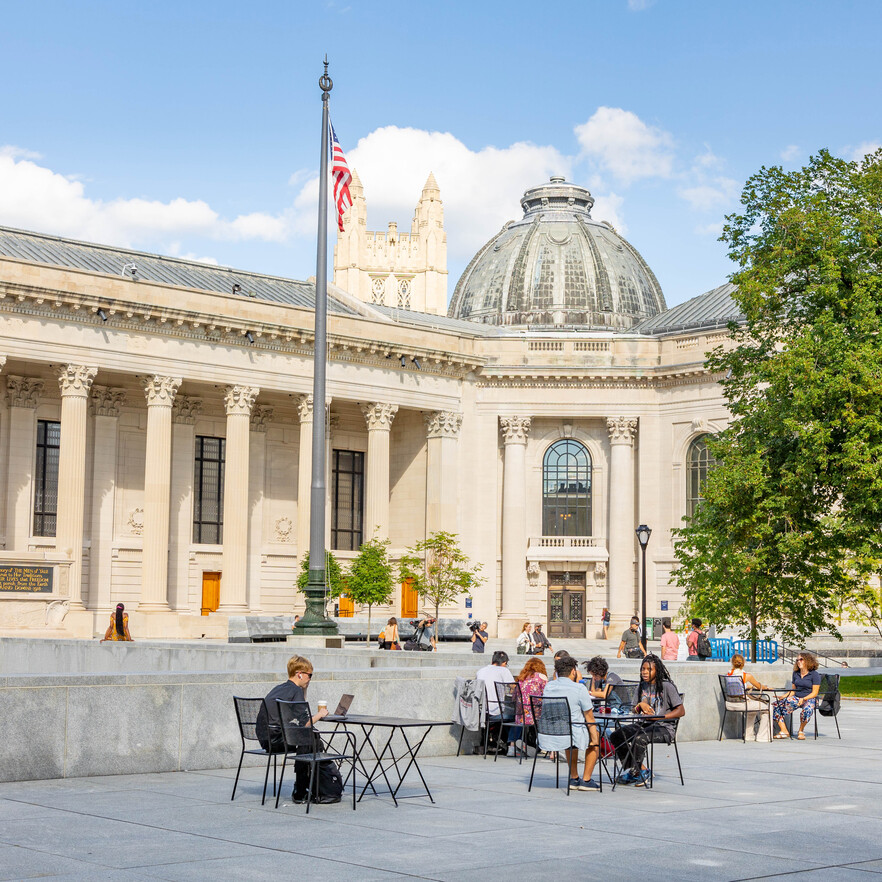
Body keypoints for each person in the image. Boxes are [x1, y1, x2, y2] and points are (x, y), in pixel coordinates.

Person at [255, 655, 339, 804]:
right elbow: (305, 723)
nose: (310, 679)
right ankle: (308, 788)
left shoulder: (281, 688)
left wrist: (304, 690)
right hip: (276, 739)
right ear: (300, 673)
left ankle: (306, 788)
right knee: (311, 737)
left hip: (265, 738)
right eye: (310, 675)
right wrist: (320, 714)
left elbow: (297, 716)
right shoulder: (295, 691)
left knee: (310, 738)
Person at [610, 654, 685, 786]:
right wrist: (640, 705)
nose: (644, 672)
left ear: (657, 671)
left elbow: (681, 711)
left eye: (649, 669)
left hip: (664, 727)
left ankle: (636, 772)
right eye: (643, 669)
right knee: (616, 735)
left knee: (639, 738)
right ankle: (639, 771)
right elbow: (634, 709)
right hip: (645, 724)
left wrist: (660, 717)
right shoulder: (641, 686)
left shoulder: (667, 686)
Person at [540, 655, 601, 792]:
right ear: (573, 671)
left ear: (557, 672)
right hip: (571, 733)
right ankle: (586, 780)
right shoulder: (579, 689)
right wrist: (595, 738)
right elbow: (589, 718)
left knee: (570, 733)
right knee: (595, 734)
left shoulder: (548, 687)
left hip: (550, 732)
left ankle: (573, 777)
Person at [774, 651, 822, 740]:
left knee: (807, 709)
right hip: (797, 697)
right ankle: (784, 730)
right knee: (775, 706)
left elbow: (815, 693)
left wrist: (804, 699)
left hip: (810, 698)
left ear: (808, 660)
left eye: (801, 659)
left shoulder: (814, 674)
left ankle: (801, 731)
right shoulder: (796, 673)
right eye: (797, 660)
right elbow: (793, 690)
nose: (798, 661)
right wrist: (783, 696)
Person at [477, 650, 516, 755]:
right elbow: (514, 687)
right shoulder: (503, 671)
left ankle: (498, 741)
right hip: (495, 711)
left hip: (481, 712)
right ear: (504, 663)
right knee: (517, 715)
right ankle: (511, 745)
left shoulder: (480, 671)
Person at [727, 653, 772, 742]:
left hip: (729, 703)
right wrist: (766, 687)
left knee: (753, 709)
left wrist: (747, 686)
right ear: (743, 663)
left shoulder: (728, 674)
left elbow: (738, 686)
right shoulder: (747, 676)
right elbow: (760, 686)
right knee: (768, 707)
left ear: (732, 663)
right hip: (742, 704)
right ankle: (762, 736)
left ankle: (749, 735)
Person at [515, 656, 548, 744]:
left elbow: (515, 696)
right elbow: (547, 694)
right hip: (536, 715)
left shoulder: (522, 677)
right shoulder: (542, 677)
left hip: (521, 715)